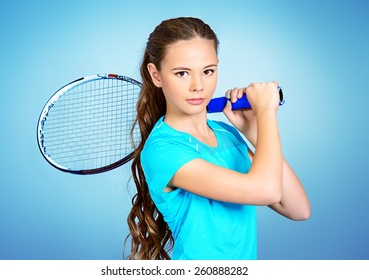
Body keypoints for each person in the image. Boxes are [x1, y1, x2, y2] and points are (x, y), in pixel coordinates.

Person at [125, 17, 310, 260]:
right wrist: (266, 113)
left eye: (208, 71)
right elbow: (266, 190)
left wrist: (253, 133)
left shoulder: (226, 134)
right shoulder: (164, 150)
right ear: (156, 75)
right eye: (182, 73)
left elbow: (298, 208)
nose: (198, 86)